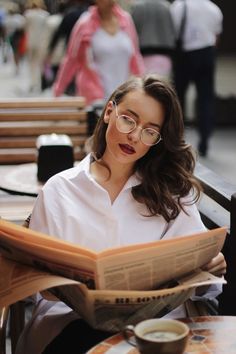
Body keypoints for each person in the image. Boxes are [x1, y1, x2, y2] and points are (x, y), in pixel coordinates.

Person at [16, 75, 226, 354]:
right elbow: (38, 287)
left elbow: (201, 282)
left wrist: (210, 266)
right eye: (129, 119)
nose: (134, 136)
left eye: (150, 131)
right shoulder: (59, 189)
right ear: (109, 112)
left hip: (155, 329)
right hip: (70, 326)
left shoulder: (171, 191)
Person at [53, 0, 144, 104]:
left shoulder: (126, 20)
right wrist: (57, 92)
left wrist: (144, 87)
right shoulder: (84, 23)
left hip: (122, 97)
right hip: (94, 100)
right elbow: (71, 59)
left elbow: (135, 57)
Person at [170, 0, 223, 157]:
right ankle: (204, 141)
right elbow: (216, 36)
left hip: (185, 54)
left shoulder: (179, 6)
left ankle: (176, 138)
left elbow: (173, 32)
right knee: (206, 98)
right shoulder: (214, 9)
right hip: (207, 53)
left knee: (177, 98)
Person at [130, 0, 175, 80]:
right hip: (164, 57)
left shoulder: (138, 7)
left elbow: (132, 31)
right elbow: (173, 31)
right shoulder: (166, 7)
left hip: (143, 56)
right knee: (161, 88)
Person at [24, 0, 49, 92]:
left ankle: (33, 82)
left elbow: (25, 28)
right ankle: (40, 82)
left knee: (32, 63)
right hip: (41, 42)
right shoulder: (45, 15)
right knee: (41, 63)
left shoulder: (28, 14)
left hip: (31, 41)